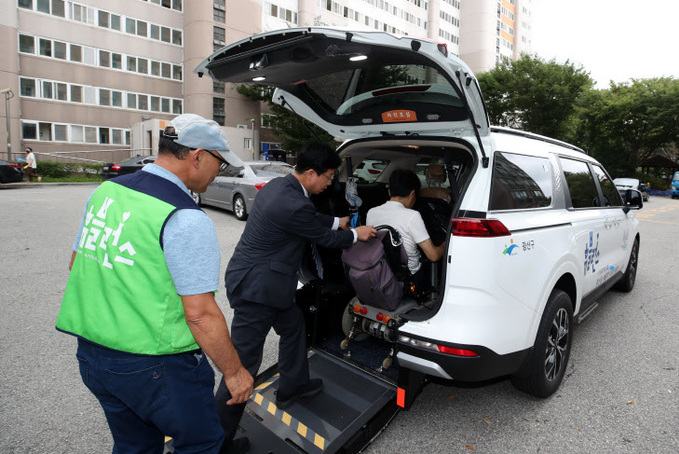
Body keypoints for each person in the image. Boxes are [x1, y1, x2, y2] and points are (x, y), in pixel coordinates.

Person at [56, 113, 253, 454]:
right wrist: (234, 373)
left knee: (135, 444)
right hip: (156, 367)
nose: (217, 173)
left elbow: (80, 264)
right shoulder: (185, 217)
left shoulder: (107, 192)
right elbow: (201, 315)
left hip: (92, 356)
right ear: (198, 156)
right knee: (202, 442)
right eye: (219, 164)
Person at [216, 143, 377, 444]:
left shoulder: (280, 187)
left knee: (293, 326)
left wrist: (337, 219)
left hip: (264, 285)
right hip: (257, 292)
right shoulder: (294, 203)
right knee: (240, 369)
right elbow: (325, 237)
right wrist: (355, 233)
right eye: (328, 176)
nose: (331, 182)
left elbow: (309, 219)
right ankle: (217, 443)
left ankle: (293, 386)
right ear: (312, 173)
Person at [366, 168, 446, 289]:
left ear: (389, 192)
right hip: (409, 278)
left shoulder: (371, 213)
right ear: (413, 193)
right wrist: (447, 243)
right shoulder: (412, 215)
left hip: (382, 272)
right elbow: (433, 255)